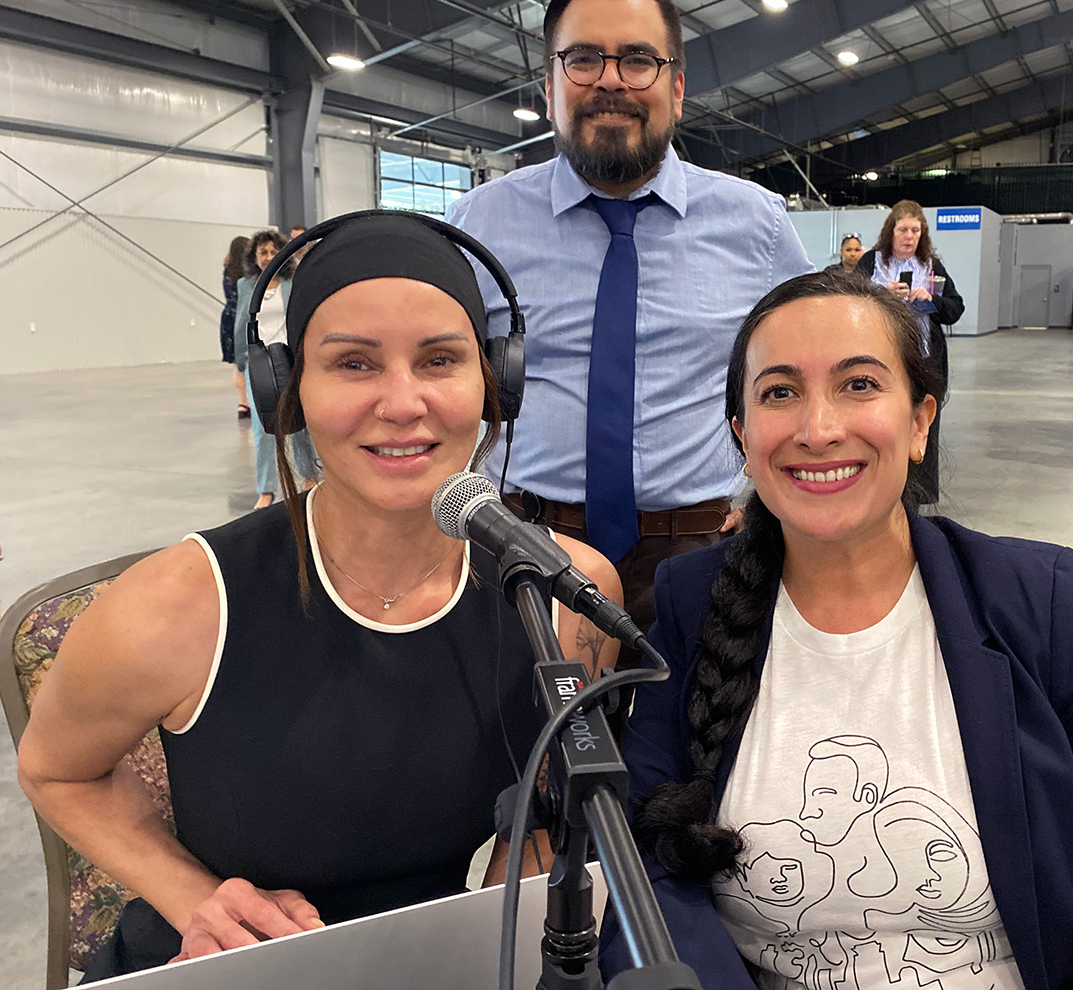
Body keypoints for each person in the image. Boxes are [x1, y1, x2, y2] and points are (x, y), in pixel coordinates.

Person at [17, 212, 621, 979]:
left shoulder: (562, 593)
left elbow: (545, 806)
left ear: (494, 380)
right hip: (230, 964)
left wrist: (514, 894)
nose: (403, 404)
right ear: (287, 388)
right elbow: (55, 768)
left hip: (439, 961)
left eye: (439, 359)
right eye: (355, 364)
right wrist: (191, 895)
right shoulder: (177, 605)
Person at [599, 271, 1073, 990]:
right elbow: (648, 870)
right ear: (743, 436)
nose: (818, 429)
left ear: (920, 422)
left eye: (858, 385)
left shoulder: (1038, 602)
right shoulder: (693, 604)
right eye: (780, 392)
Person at [445, 0, 813, 629]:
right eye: (584, 58)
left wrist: (770, 492)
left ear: (676, 89)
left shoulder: (757, 225)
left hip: (704, 552)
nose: (610, 79)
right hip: (527, 545)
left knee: (698, 735)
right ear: (549, 86)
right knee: (532, 733)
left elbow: (810, 372)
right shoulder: (476, 226)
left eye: (638, 59)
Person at [855, 201, 963, 503]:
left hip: (925, 357)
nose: (909, 236)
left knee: (924, 421)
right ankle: (882, 488)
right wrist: (881, 295)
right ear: (892, 231)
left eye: (916, 230)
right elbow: (848, 302)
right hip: (881, 358)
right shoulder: (871, 262)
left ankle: (921, 494)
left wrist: (930, 300)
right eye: (903, 229)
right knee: (883, 422)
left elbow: (955, 308)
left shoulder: (931, 265)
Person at [234, 229, 318, 508]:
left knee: (301, 425)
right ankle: (266, 489)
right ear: (255, 256)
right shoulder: (246, 285)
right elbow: (239, 323)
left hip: (289, 359)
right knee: (263, 430)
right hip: (259, 364)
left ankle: (309, 477)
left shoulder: (291, 283)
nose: (268, 257)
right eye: (263, 253)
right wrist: (240, 360)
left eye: (272, 252)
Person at [220, 235, 252, 419]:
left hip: (229, 317)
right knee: (251, 363)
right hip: (245, 317)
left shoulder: (227, 270)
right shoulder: (249, 274)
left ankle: (243, 403)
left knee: (237, 365)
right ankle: (254, 402)